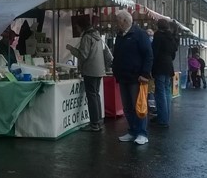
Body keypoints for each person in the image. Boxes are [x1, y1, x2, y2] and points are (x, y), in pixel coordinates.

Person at [111, 10, 153, 145]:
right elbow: (117, 55)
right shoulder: (120, 36)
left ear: (124, 21)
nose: (116, 24)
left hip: (136, 77)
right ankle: (133, 131)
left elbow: (148, 55)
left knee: (138, 106)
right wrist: (115, 70)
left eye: (118, 21)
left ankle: (142, 133)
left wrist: (145, 74)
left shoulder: (140, 34)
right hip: (123, 76)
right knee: (127, 107)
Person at [66, 16, 112, 132]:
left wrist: (71, 49)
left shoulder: (87, 37)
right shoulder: (96, 36)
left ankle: (94, 124)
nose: (76, 28)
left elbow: (83, 55)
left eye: (77, 26)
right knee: (96, 95)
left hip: (90, 71)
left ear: (81, 26)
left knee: (92, 97)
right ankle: (99, 122)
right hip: (99, 70)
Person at [150, 19, 178, 128]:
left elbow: (154, 53)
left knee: (160, 93)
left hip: (160, 66)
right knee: (167, 92)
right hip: (169, 66)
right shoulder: (170, 37)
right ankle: (165, 117)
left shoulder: (158, 37)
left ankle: (162, 119)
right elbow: (173, 53)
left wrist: (151, 68)